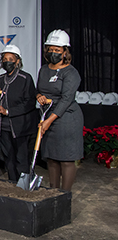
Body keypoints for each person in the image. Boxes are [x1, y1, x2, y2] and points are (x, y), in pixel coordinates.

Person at [36, 29, 83, 191]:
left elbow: (66, 99)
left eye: (57, 50)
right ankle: (52, 194)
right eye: (51, 49)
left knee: (66, 159)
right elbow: (38, 89)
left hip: (66, 119)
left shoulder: (71, 72)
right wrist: (39, 96)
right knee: (52, 158)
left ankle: (64, 195)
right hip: (48, 116)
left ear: (65, 52)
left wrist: (48, 121)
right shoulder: (44, 69)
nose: (53, 53)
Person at [0, 45, 37, 182]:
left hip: (20, 127)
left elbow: (29, 103)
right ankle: (12, 183)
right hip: (3, 127)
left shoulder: (25, 78)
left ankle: (23, 185)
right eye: (5, 59)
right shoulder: (0, 79)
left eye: (11, 59)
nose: (7, 62)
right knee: (8, 157)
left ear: (17, 61)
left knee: (21, 157)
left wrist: (8, 111)